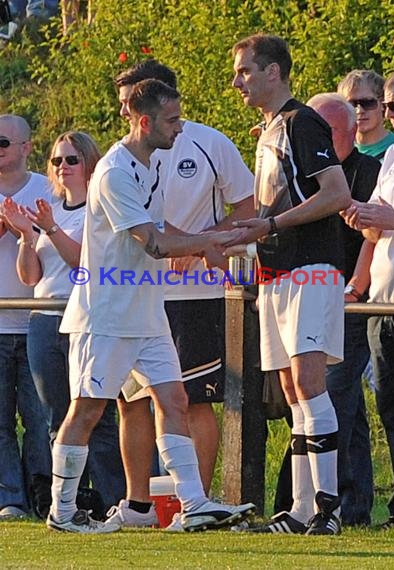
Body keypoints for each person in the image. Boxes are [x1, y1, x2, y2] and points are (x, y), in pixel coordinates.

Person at [46, 79, 254, 533]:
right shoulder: (115, 171)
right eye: (173, 120)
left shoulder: (151, 162)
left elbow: (161, 225)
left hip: (146, 311)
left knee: (174, 398)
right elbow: (154, 243)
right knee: (86, 409)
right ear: (145, 121)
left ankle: (193, 503)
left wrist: (208, 243)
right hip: (106, 314)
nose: (180, 128)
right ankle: (61, 513)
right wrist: (207, 243)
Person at [104, 59, 255, 531]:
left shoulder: (208, 141)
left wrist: (207, 242)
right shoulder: (119, 159)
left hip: (194, 294)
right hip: (136, 294)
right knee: (131, 400)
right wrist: (178, 243)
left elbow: (248, 206)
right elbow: (143, 231)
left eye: (134, 101)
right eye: (125, 104)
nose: (128, 112)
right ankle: (139, 504)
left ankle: (199, 501)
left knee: (191, 399)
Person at [230, 33, 351, 535]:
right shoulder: (267, 131)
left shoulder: (303, 122)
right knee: (288, 388)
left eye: (245, 71)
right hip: (275, 271)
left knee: (307, 382)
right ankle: (302, 508)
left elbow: (337, 193)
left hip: (311, 267)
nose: (238, 81)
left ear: (273, 71)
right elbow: (266, 209)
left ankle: (329, 508)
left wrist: (272, 227)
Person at [2, 130, 126, 518]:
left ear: (89, 162)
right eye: (56, 160)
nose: (63, 167)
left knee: (98, 416)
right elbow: (30, 276)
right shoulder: (50, 207)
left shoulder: (99, 206)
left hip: (88, 319)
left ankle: (110, 500)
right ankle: (67, 504)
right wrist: (26, 236)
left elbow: (83, 263)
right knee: (56, 420)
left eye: (72, 159)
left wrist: (50, 229)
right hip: (44, 319)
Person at [342, 67, 394, 529]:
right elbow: (378, 228)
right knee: (391, 407)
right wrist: (363, 219)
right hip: (382, 302)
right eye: (383, 104)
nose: (386, 113)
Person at [306, 93, 380, 525]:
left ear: (348, 131)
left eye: (326, 130)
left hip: (352, 299)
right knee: (344, 406)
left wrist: (354, 288)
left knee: (334, 395)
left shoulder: (370, 172)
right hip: (314, 294)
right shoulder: (308, 171)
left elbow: (374, 237)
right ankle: (353, 504)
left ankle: (334, 501)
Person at [0, 114, 51, 519]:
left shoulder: (47, 188)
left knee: (40, 419)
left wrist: (30, 230)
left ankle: (43, 497)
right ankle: (9, 499)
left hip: (38, 319)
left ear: (26, 147)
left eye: (3, 141)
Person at [337, 69, 394, 162]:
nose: (359, 110)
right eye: (351, 104)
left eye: (368, 103)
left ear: (383, 104)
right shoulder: (337, 153)